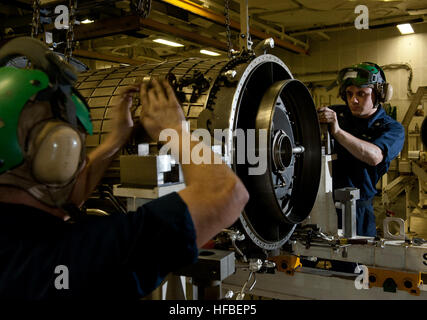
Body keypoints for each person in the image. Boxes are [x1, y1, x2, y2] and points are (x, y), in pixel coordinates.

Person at [0, 37, 249, 300]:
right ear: (59, 155)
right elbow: (226, 194)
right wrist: (176, 131)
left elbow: (63, 196)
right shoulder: (80, 254)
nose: (81, 161)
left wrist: (114, 141)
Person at [318, 62, 404, 237]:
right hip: (320, 202)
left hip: (357, 209)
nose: (353, 100)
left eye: (361, 94)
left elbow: (374, 156)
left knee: (355, 261)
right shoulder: (337, 114)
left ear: (379, 94)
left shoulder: (391, 128)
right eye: (349, 94)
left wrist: (337, 131)